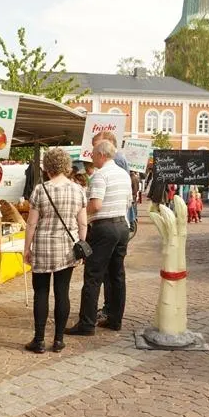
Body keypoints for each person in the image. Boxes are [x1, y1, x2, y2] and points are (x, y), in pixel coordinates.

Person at [23, 148, 87, 354]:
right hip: (67, 248)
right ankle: (59, 340)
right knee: (62, 292)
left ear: (47, 167)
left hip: (43, 247)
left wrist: (27, 248)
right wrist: (82, 244)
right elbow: (83, 223)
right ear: (66, 166)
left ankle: (39, 340)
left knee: (41, 293)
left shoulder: (40, 190)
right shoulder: (78, 190)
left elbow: (31, 224)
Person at [66, 141, 131, 335]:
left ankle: (86, 324)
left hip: (104, 227)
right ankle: (115, 320)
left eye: (93, 154)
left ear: (102, 155)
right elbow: (128, 201)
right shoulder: (124, 174)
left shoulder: (100, 175)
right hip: (122, 226)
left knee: (93, 276)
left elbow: (95, 205)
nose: (91, 157)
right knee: (117, 275)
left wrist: (79, 213)